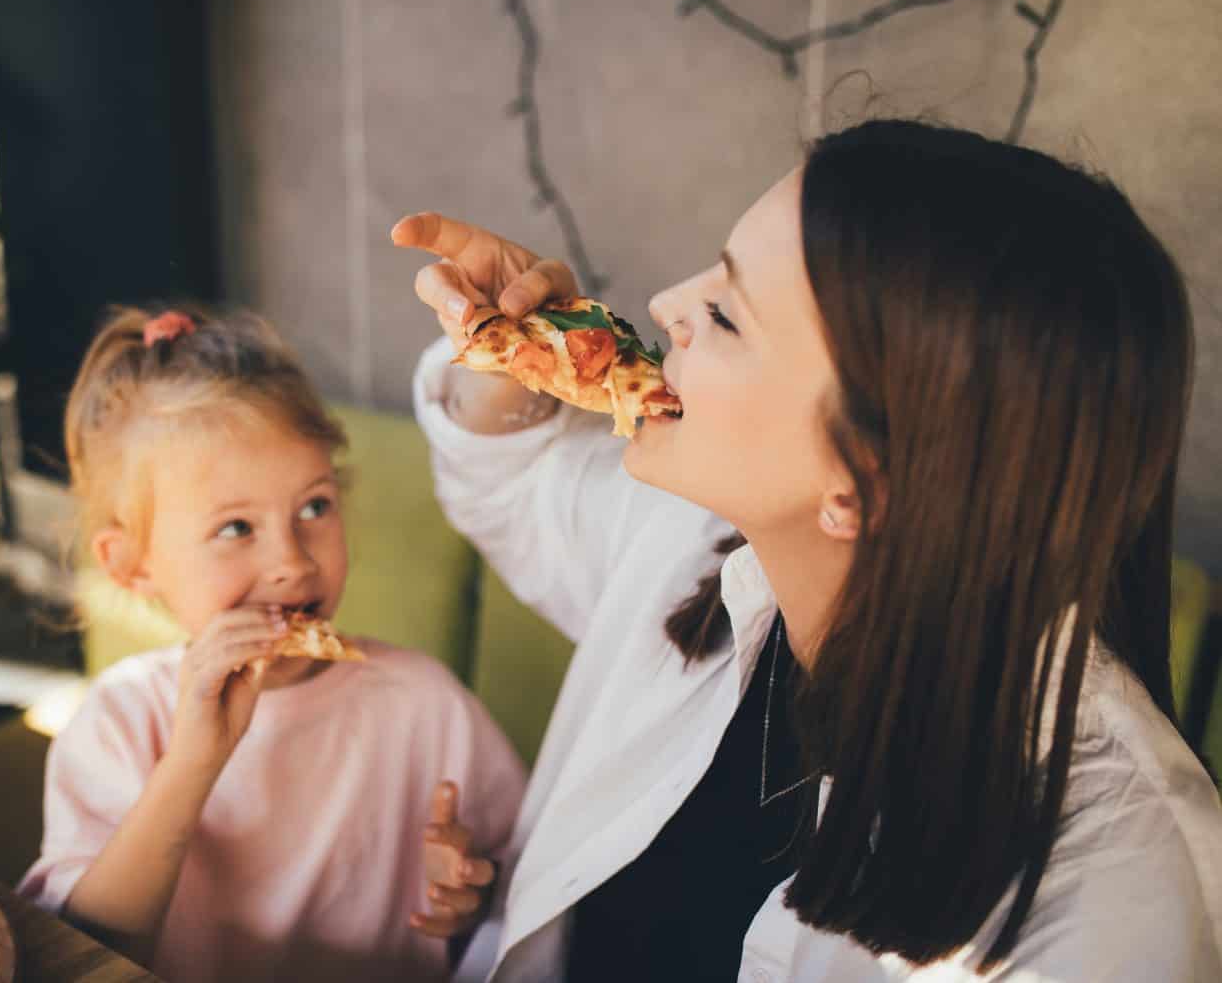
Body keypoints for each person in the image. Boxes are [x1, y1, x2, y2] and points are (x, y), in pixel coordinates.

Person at [392, 119, 1222, 981]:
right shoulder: (709, 540)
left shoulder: (1117, 902)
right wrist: (528, 349)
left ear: (863, 481)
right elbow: (515, 489)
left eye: (723, 314)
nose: (668, 304)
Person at [17, 304, 527, 982]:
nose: (292, 560)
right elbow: (80, 953)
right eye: (235, 528)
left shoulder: (426, 704)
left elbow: (532, 895)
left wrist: (472, 893)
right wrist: (193, 761)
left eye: (314, 506)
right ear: (131, 565)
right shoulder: (118, 722)